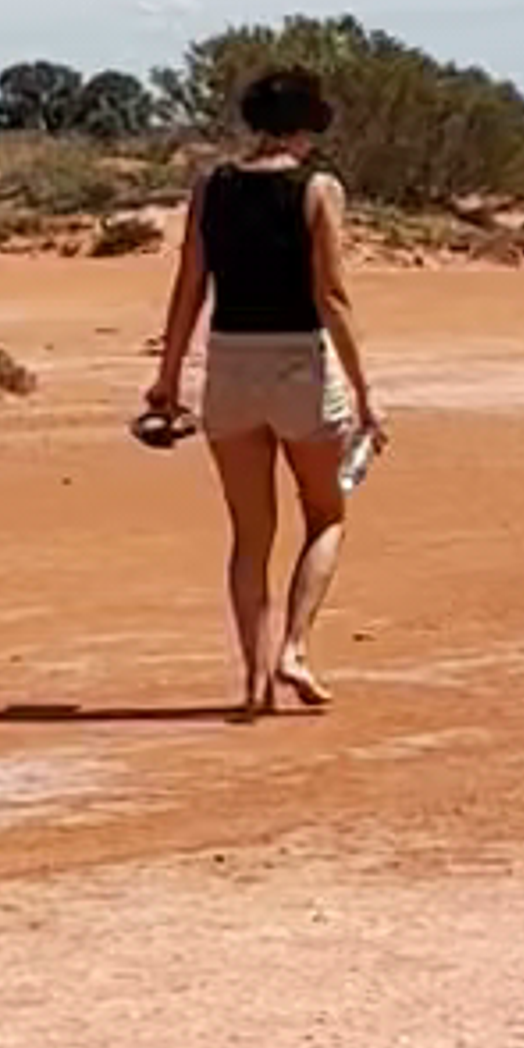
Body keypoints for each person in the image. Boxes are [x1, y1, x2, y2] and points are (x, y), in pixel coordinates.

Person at [143, 63, 384, 715]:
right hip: (298, 364)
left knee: (251, 534)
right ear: (306, 125)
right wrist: (365, 393)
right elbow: (332, 296)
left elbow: (189, 287)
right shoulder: (318, 189)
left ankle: (253, 683)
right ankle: (295, 648)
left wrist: (168, 381)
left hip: (228, 367)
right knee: (327, 514)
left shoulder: (211, 187)